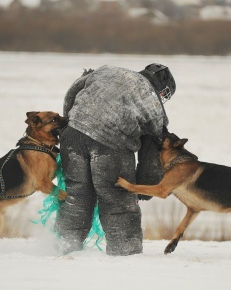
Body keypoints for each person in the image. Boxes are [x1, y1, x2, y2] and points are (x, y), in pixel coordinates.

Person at [56, 63, 176, 256]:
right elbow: (152, 151)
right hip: (111, 144)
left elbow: (73, 92)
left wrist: (68, 123)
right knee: (118, 200)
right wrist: (144, 188)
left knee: (76, 196)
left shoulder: (107, 70)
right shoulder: (153, 103)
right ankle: (125, 253)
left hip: (72, 136)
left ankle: (64, 247)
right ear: (163, 91)